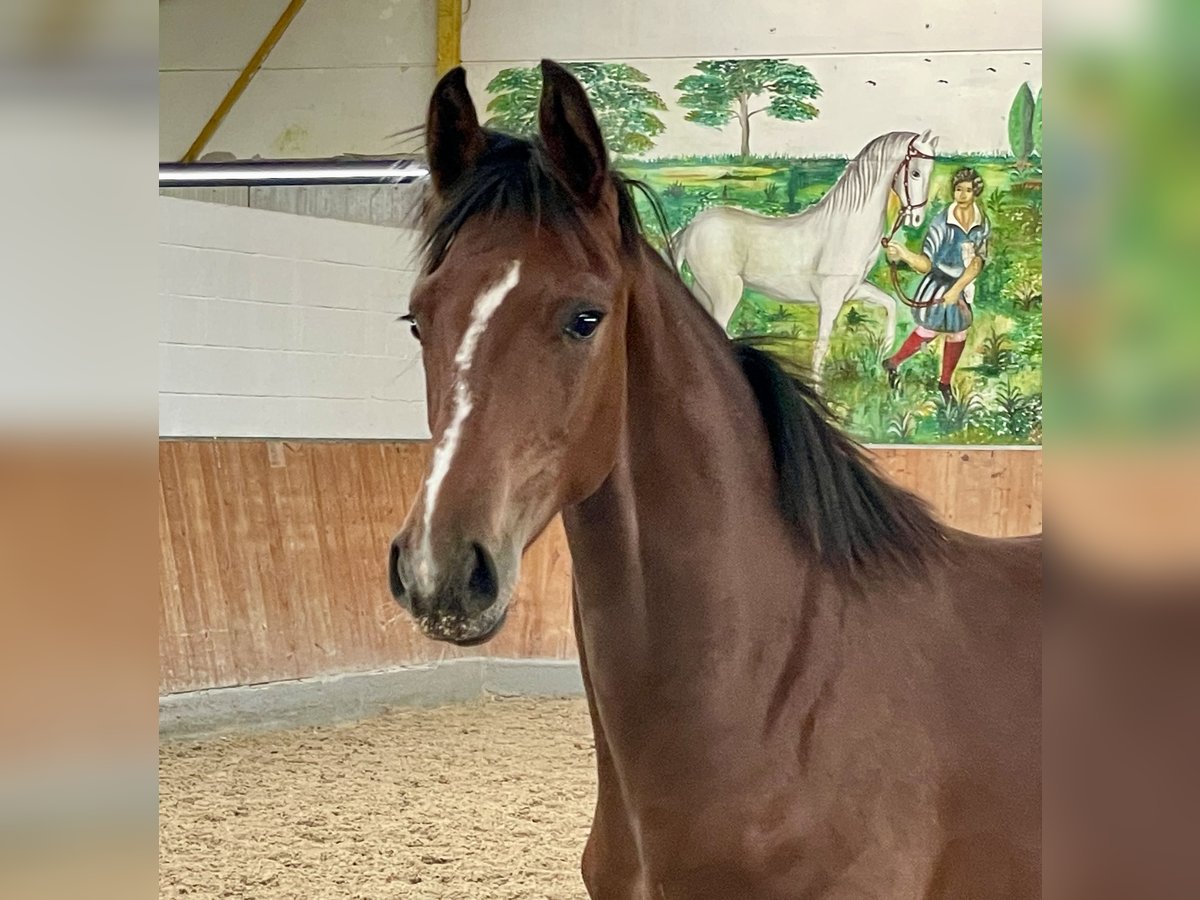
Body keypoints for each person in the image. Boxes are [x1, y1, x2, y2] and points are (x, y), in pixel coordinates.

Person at [883, 166, 990, 402]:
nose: (962, 195)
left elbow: (977, 262)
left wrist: (957, 290)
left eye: (968, 190)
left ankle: (944, 384)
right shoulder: (942, 222)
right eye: (958, 189)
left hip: (959, 286)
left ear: (975, 193)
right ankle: (893, 363)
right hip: (938, 282)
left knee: (958, 332)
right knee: (929, 329)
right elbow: (926, 264)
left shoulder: (981, 222)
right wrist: (904, 255)